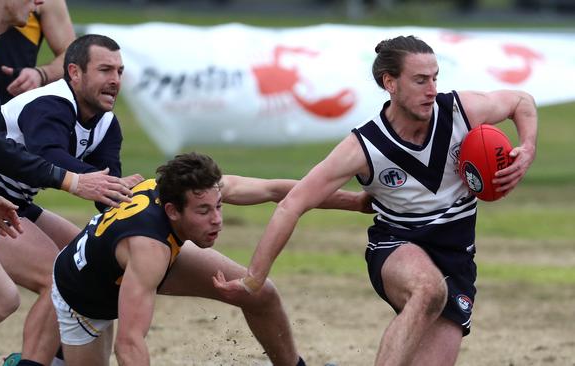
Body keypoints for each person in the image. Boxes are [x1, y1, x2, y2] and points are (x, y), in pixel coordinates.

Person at [214, 35, 538, 366]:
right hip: (396, 246)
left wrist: (526, 148)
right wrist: (254, 278)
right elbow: (292, 204)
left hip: (457, 259)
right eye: (420, 80)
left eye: (435, 78)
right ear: (390, 83)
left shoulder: (460, 112)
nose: (432, 89)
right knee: (428, 290)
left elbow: (521, 102)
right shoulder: (365, 147)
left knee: (435, 303)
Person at [0, 1, 131, 364]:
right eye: (105, 69)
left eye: (119, 70)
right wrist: (71, 181)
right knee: (60, 276)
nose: (38, 3)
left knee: (1, 297)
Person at [52, 152, 374, 366]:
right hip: (83, 299)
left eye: (219, 206)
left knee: (261, 294)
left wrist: (356, 203)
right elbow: (130, 343)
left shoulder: (194, 190)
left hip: (133, 259)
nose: (217, 219)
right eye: (204, 212)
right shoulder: (149, 249)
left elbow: (279, 190)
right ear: (172, 211)